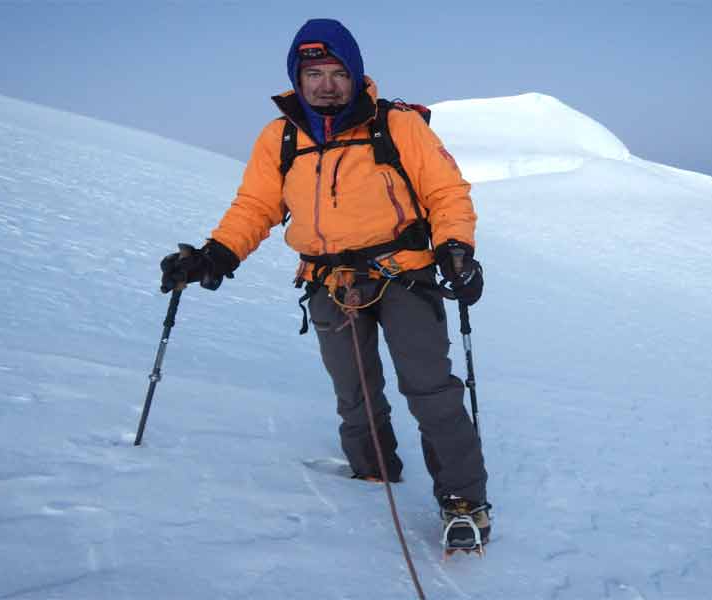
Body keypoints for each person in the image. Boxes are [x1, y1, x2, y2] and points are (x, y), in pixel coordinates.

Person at [159, 18, 490, 549]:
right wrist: (215, 255)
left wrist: (456, 248)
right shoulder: (281, 137)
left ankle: (464, 500)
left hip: (401, 275)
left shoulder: (398, 125)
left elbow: (447, 192)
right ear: (298, 76)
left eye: (337, 71)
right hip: (326, 282)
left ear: (355, 74)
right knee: (353, 392)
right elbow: (256, 207)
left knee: (430, 390)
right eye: (313, 73)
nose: (326, 84)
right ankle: (371, 473)